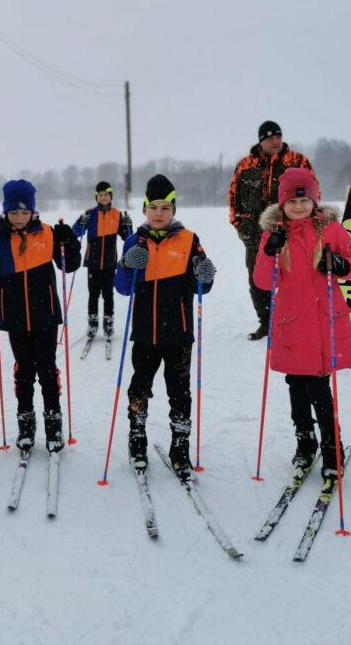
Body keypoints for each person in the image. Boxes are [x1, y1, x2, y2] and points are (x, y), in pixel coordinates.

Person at [252, 168, 351, 480]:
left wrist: (340, 266)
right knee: (296, 388)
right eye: (292, 200)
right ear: (282, 203)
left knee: (320, 389)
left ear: (315, 200)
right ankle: (305, 442)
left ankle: (332, 448)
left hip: (323, 320)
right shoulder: (274, 233)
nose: (298, 205)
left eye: (305, 199)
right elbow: (262, 280)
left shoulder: (332, 230)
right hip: (292, 321)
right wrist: (270, 250)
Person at [114, 174, 216, 478]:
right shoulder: (135, 241)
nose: (159, 213)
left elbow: (202, 287)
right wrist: (126, 265)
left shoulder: (189, 240)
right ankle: (137, 437)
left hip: (179, 334)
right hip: (145, 333)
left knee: (180, 391)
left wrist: (205, 274)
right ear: (145, 209)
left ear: (173, 210)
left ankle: (180, 444)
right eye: (154, 207)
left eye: (165, 207)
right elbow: (122, 288)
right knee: (139, 388)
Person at [0, 179, 81, 453]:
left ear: (33, 210)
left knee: (47, 368)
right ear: (5, 211)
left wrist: (70, 243)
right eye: (14, 212)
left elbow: (71, 266)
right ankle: (26, 423)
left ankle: (54, 423)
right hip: (15, 316)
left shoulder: (47, 233)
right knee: (24, 371)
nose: (19, 218)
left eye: (24, 211)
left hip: (46, 315)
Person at [228, 120, 315, 341]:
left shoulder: (297, 161)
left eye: (278, 136)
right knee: (258, 281)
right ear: (261, 141)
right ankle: (266, 323)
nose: (275, 141)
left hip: (290, 234)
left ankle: (295, 320)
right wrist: (239, 224)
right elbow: (233, 197)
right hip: (254, 235)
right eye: (269, 138)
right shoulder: (245, 165)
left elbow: (314, 194)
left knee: (294, 278)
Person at [72, 180, 133, 341]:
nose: (103, 197)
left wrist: (128, 225)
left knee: (108, 295)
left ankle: (108, 323)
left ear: (110, 196)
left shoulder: (117, 214)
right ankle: (92, 324)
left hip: (109, 263)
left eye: (106, 194)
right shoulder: (90, 214)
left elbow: (128, 238)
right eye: (100, 195)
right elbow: (75, 233)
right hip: (92, 262)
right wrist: (81, 222)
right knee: (93, 295)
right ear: (96, 197)